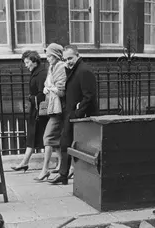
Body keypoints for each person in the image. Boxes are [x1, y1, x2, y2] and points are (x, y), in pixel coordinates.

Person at [48, 45, 98, 185]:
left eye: (70, 58)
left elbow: (89, 96)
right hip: (72, 115)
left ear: (77, 55)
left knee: (83, 147)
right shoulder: (73, 70)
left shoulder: (84, 71)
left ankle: (71, 175)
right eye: (65, 59)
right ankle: (63, 174)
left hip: (81, 117)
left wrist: (77, 113)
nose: (68, 61)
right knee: (65, 143)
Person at [35, 43, 66, 181]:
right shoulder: (52, 67)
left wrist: (50, 88)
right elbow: (47, 84)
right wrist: (47, 88)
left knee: (47, 138)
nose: (47, 58)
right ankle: (61, 165)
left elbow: (61, 90)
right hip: (53, 108)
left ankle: (45, 169)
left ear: (56, 55)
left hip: (59, 110)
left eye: (49, 56)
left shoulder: (61, 67)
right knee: (56, 140)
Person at [13, 51, 48, 172]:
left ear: (34, 61)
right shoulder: (36, 73)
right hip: (36, 111)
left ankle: (63, 164)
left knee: (49, 139)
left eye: (27, 62)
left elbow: (42, 95)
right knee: (33, 137)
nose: (26, 65)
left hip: (41, 112)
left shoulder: (41, 74)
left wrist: (30, 98)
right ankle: (24, 162)